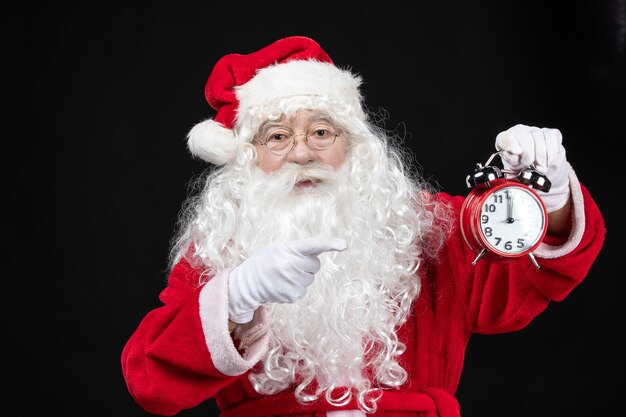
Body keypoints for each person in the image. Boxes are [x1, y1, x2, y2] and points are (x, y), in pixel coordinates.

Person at [121, 36, 605, 417]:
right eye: (277, 137)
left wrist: (551, 197)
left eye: (321, 132)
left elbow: (520, 283)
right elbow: (151, 384)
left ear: (352, 145)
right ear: (250, 159)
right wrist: (237, 297)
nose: (303, 152)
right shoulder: (218, 253)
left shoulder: (427, 227)